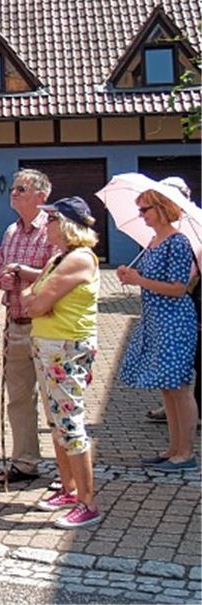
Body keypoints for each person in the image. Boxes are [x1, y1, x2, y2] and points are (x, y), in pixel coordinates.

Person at [21, 196, 103, 528]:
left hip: (66, 347)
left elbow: (36, 304)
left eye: (52, 220)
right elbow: (32, 300)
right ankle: (68, 488)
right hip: (48, 345)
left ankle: (87, 501)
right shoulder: (59, 258)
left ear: (67, 224)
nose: (46, 226)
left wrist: (38, 301)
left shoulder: (80, 259)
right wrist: (37, 300)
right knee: (57, 422)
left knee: (70, 423)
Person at [118, 187, 199, 472]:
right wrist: (130, 277)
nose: (141, 216)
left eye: (145, 210)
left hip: (174, 320)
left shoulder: (177, 242)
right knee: (167, 388)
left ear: (162, 208)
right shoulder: (154, 241)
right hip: (156, 320)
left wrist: (139, 279)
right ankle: (173, 449)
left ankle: (186, 453)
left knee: (179, 387)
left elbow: (178, 288)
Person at [0, 168, 60, 484]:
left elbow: (59, 275)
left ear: (41, 195)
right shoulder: (11, 231)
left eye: (21, 189)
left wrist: (23, 271)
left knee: (55, 401)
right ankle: (24, 463)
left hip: (46, 325)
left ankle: (68, 470)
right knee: (19, 398)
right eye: (14, 189)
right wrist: (3, 278)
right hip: (16, 324)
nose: (14, 193)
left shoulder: (55, 230)